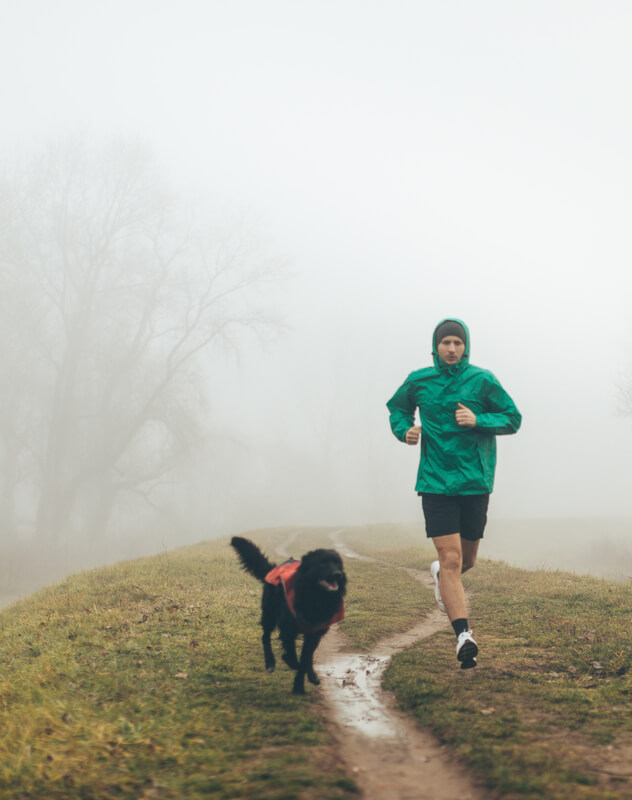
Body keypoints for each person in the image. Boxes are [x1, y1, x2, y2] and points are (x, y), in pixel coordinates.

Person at [387, 319, 521, 668]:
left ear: (465, 347)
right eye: (445, 342)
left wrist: (479, 420)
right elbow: (397, 408)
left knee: (466, 560)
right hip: (435, 482)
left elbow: (512, 417)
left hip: (475, 480)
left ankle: (441, 577)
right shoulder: (419, 380)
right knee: (451, 559)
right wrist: (405, 430)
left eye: (457, 343)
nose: (451, 348)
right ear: (435, 347)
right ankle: (463, 635)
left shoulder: (483, 380)